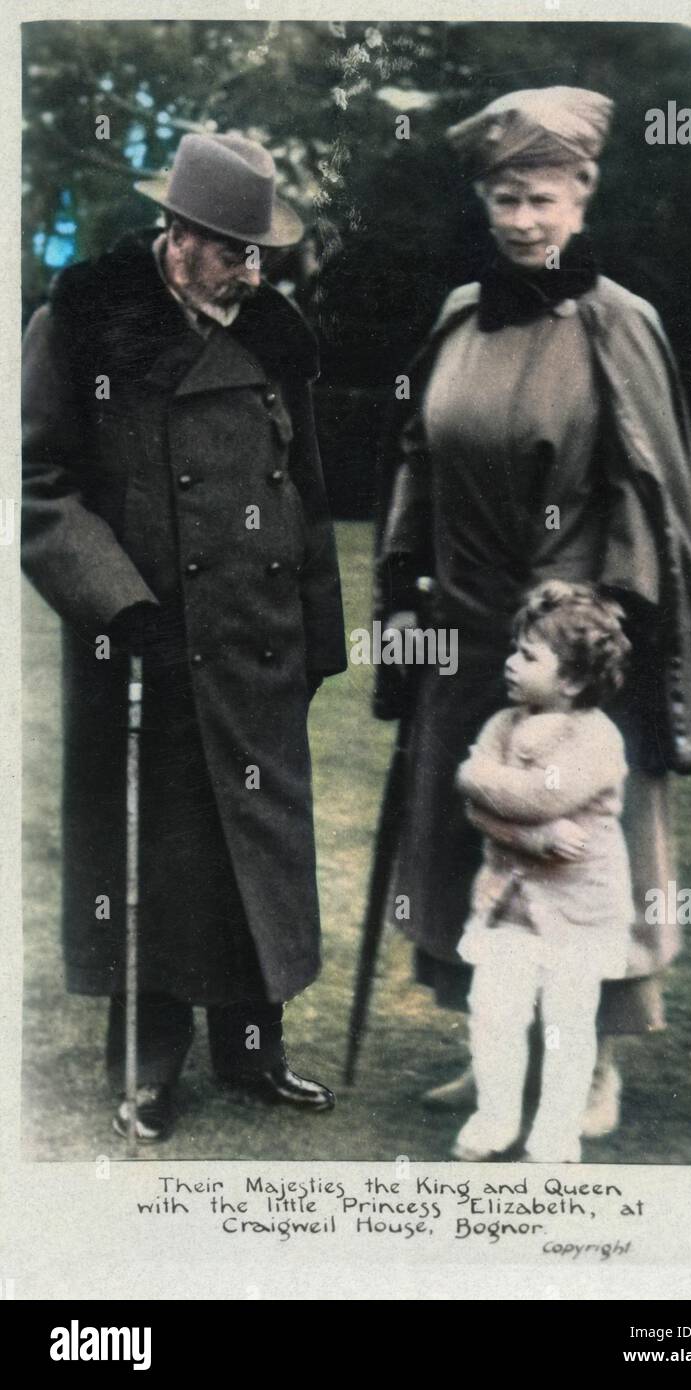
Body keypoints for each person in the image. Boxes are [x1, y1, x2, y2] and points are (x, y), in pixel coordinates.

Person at [371, 88, 691, 1133]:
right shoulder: (458, 315)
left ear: (582, 196)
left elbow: (646, 490)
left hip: (577, 639)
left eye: (539, 198)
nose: (520, 219)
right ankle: (489, 1041)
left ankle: (590, 1065)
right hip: (469, 620)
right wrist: (404, 587)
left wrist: (591, 623)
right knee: (469, 830)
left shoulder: (620, 324)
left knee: (581, 840)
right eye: (502, 198)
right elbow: (416, 463)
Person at [22, 131, 346, 1142]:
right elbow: (35, 485)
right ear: (176, 233)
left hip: (257, 640)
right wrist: (121, 604)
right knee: (154, 855)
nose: (251, 269)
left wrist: (319, 633)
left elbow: (308, 491)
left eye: (259, 251)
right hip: (143, 644)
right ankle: (147, 1066)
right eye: (229, 249)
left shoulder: (277, 335)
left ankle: (254, 1054)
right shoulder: (83, 323)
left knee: (256, 846)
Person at [452, 581, 633, 1163]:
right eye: (514, 649)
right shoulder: (503, 724)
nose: (510, 662)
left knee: (567, 1024)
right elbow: (478, 804)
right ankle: (495, 1118)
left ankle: (556, 1133)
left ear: (574, 680)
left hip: (578, 913)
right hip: (508, 906)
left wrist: (481, 782)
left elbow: (535, 796)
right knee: (495, 1012)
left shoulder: (596, 738)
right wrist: (528, 834)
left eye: (528, 655)